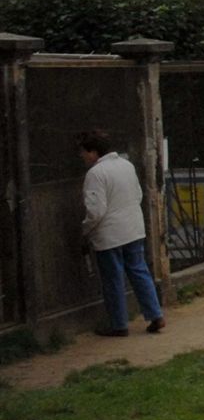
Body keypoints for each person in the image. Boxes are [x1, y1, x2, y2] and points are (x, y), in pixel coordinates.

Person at [76, 129, 164, 337]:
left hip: (109, 235)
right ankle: (155, 314)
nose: (82, 156)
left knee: (113, 279)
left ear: (93, 152)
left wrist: (85, 229)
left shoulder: (95, 174)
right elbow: (138, 195)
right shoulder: (127, 165)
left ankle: (119, 324)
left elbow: (96, 211)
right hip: (133, 229)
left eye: (83, 152)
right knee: (139, 271)